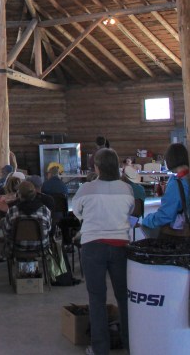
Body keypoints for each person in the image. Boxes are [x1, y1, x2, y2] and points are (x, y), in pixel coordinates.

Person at [72, 149, 132, 355]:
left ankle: (100, 348)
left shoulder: (86, 188)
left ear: (96, 167)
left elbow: (77, 212)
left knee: (96, 299)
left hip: (93, 245)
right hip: (121, 245)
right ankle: (129, 342)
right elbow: (129, 211)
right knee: (124, 297)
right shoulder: (126, 189)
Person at [141, 142, 190, 236]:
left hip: (179, 232)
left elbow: (166, 216)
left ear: (169, 160)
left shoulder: (176, 182)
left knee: (147, 226)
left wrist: (148, 220)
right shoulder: (186, 177)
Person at [2, 180, 52, 259]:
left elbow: (7, 231)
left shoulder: (12, 210)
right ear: (34, 194)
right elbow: (49, 229)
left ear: (20, 195)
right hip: (41, 247)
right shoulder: (45, 210)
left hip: (17, 247)